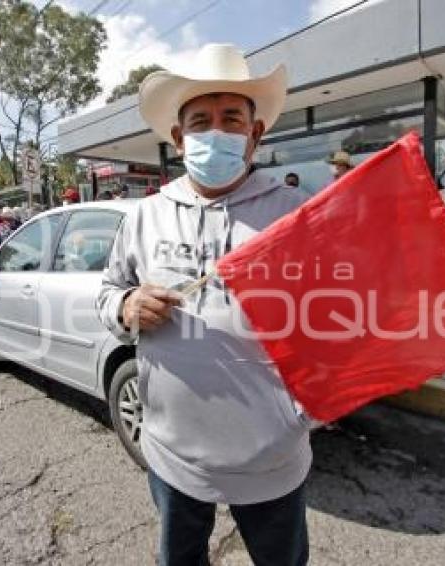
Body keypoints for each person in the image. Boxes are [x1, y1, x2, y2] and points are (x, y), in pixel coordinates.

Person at [97, 43, 311, 566]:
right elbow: (107, 292)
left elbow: (332, 321)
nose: (215, 130)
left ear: (254, 133)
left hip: (272, 457)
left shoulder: (295, 216)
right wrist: (126, 305)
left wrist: (305, 415)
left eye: (231, 117)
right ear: (179, 137)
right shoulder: (145, 216)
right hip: (173, 454)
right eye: (200, 120)